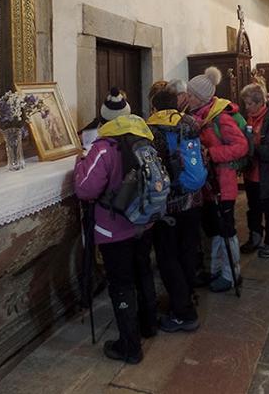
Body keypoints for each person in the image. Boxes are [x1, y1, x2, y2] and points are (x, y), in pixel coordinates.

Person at [73, 91, 158, 363]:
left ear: (104, 117)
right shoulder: (145, 137)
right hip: (145, 222)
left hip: (114, 229)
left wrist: (80, 164)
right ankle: (149, 325)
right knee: (143, 271)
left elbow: (85, 190)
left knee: (121, 283)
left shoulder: (103, 146)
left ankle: (130, 347)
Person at [187, 66, 248, 292]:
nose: (188, 98)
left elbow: (240, 146)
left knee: (226, 229)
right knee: (214, 230)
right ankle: (215, 270)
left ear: (202, 98)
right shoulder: (198, 116)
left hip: (224, 184)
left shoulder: (220, 118)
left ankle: (231, 274)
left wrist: (211, 153)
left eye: (192, 95)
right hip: (209, 185)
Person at [147, 88, 202, 332]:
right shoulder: (190, 122)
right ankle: (187, 294)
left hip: (168, 203)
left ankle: (183, 313)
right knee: (188, 250)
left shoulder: (151, 129)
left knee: (168, 257)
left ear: (155, 106)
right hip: (193, 198)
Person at [240, 83, 269, 258]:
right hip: (251, 173)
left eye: (250, 103)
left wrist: (250, 144)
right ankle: (255, 237)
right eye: (246, 103)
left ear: (260, 102)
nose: (247, 107)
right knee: (253, 209)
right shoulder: (250, 117)